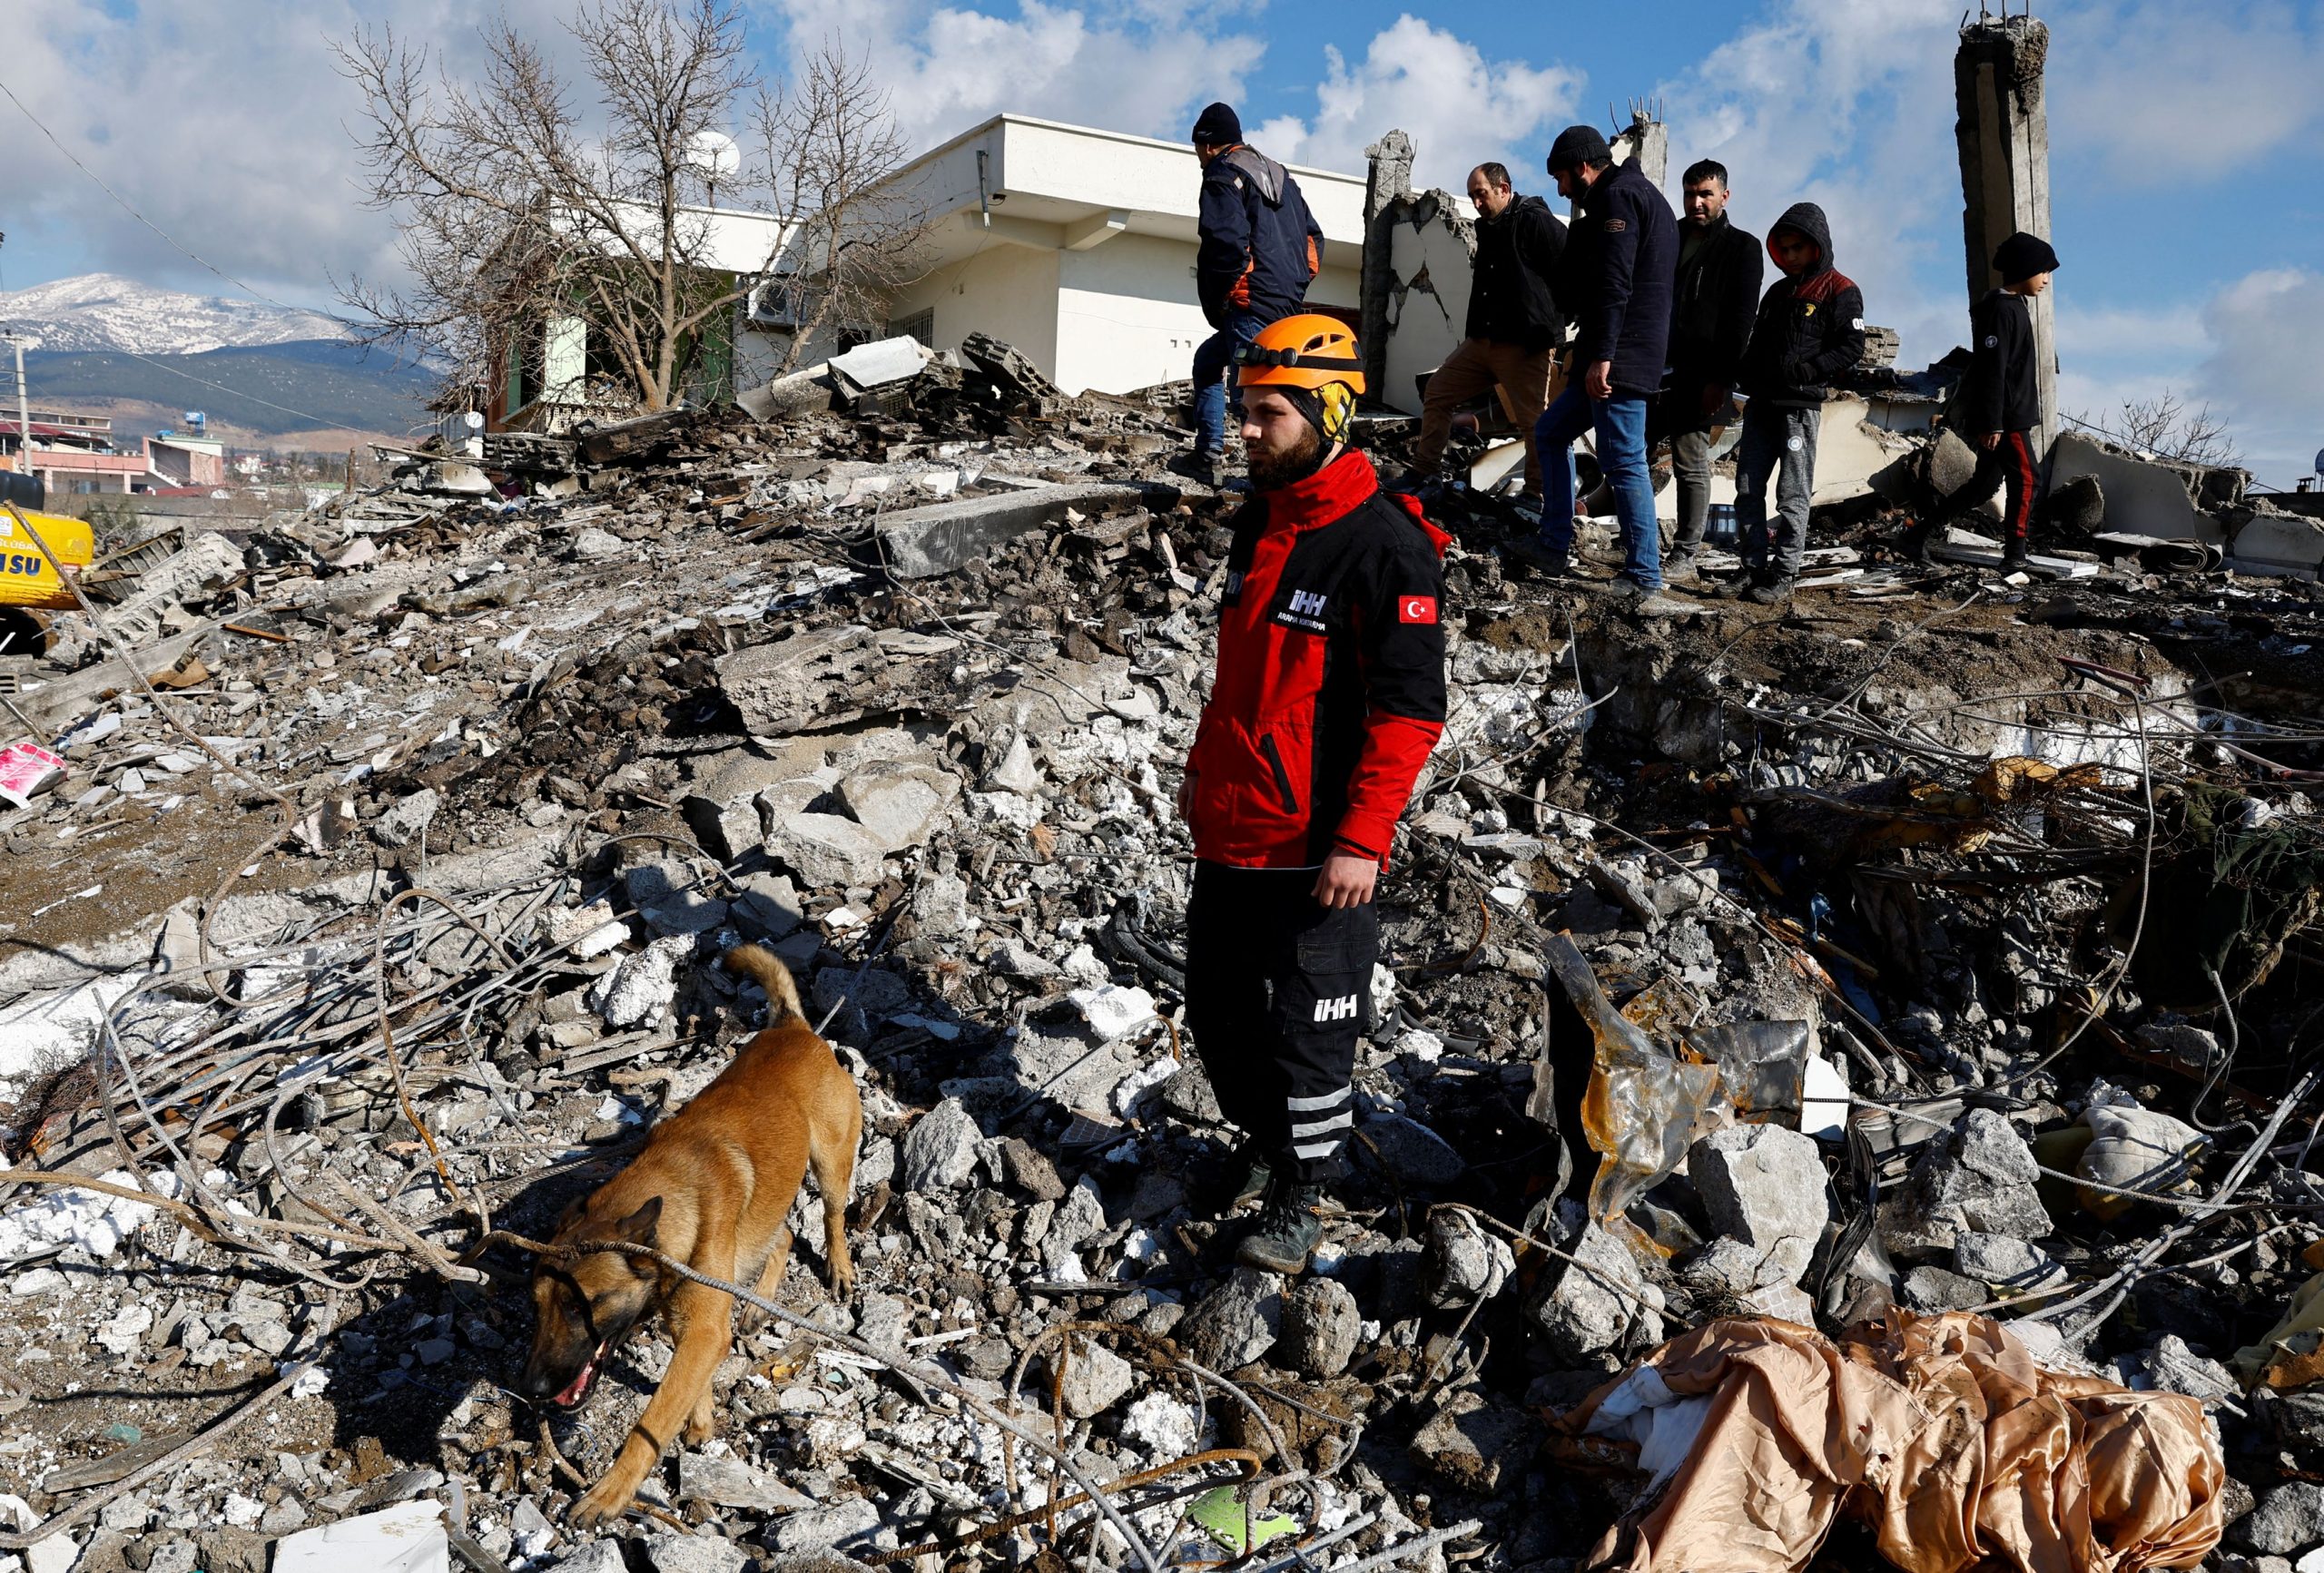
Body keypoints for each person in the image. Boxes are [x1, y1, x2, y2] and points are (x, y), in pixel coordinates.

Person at [1176, 314, 1449, 1274]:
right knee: (1215, 1009)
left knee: (1309, 1025)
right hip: (1234, 823)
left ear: (1330, 412)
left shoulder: (1388, 549)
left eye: (1268, 413)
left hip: (1317, 845)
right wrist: (1204, 771)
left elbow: (1411, 712)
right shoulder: (1263, 518)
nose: (1245, 429)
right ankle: (1263, 1143)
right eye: (1244, 411)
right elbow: (1244, 677)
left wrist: (1363, 838)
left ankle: (1305, 1189)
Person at [1507, 125, 1683, 615]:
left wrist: (1603, 355)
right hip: (1609, 353)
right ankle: (1554, 543)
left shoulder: (1621, 200)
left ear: (1583, 166)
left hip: (1619, 359)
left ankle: (1644, 574)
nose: (1561, 190)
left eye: (1562, 177)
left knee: (1624, 462)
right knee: (1550, 432)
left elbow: (1615, 286)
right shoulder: (1634, 196)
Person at [1725, 202, 1866, 605]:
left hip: (1799, 407)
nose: (1789, 256)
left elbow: (1852, 347)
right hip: (1761, 404)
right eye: (1783, 249)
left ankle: (1784, 573)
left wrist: (1808, 370)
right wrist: (1743, 376)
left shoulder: (1841, 290)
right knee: (1748, 487)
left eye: (1797, 248)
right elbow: (1755, 344)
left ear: (1816, 245)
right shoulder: (1777, 292)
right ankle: (1751, 568)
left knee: (1792, 492)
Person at [1402, 162, 1566, 498]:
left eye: (1482, 194)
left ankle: (1537, 496)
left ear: (1503, 189)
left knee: (1534, 422)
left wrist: (1554, 329)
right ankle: (1425, 472)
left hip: (1524, 344)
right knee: (1438, 391)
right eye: (1473, 196)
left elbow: (1572, 266)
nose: (1477, 202)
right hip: (1482, 341)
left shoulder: (1534, 219)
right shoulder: (1487, 227)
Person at [1184, 102, 1324, 488]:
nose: (1197, 157)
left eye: (1197, 148)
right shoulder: (1282, 177)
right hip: (1284, 305)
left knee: (1253, 394)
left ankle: (1273, 480)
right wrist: (1296, 279)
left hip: (1249, 302)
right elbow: (1315, 238)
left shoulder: (1221, 173)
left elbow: (1224, 242)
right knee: (1209, 361)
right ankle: (1208, 454)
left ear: (1208, 144)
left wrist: (1227, 290)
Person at [1905, 231, 2059, 570]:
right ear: (2023, 270)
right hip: (2006, 419)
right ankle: (2015, 555)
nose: (2047, 280)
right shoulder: (2002, 311)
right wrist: (1992, 422)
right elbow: (1992, 370)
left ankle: (1916, 536)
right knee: (2027, 478)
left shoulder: (2014, 306)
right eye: (2043, 271)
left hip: (2008, 416)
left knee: (1984, 485)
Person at [1654, 160, 1762, 586]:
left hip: (1703, 373)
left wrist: (1722, 379)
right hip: (1654, 364)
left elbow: (1740, 321)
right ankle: (1639, 539)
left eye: (1705, 194)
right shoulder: (1671, 237)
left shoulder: (1742, 247)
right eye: (1689, 194)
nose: (1696, 202)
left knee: (1690, 459)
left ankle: (1685, 552)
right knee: (1630, 453)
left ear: (1724, 196)